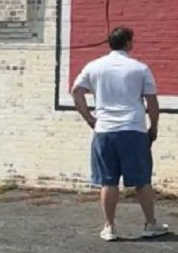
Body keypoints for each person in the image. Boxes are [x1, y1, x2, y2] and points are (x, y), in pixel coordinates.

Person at [72, 27, 170, 242]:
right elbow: (152, 102)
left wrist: (90, 119)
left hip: (104, 131)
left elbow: (76, 92)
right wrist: (153, 127)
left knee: (108, 181)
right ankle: (150, 223)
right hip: (133, 129)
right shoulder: (139, 69)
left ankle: (109, 227)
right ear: (128, 42)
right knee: (142, 181)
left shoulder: (94, 67)